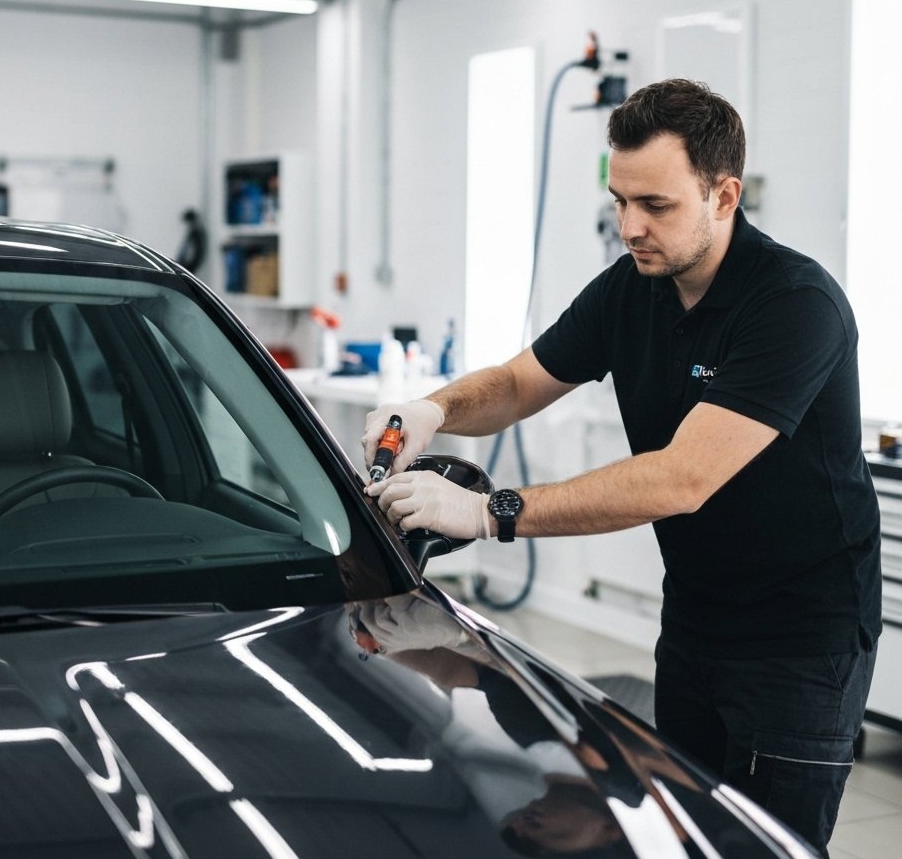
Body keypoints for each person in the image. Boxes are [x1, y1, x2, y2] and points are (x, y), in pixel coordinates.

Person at [362, 78, 881, 857]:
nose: (630, 227)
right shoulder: (634, 287)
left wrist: (487, 511)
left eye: (656, 206)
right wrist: (429, 407)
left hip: (802, 639)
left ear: (724, 195)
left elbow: (683, 478)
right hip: (698, 618)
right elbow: (516, 383)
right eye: (619, 202)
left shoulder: (794, 304)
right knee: (679, 830)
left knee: (768, 844)